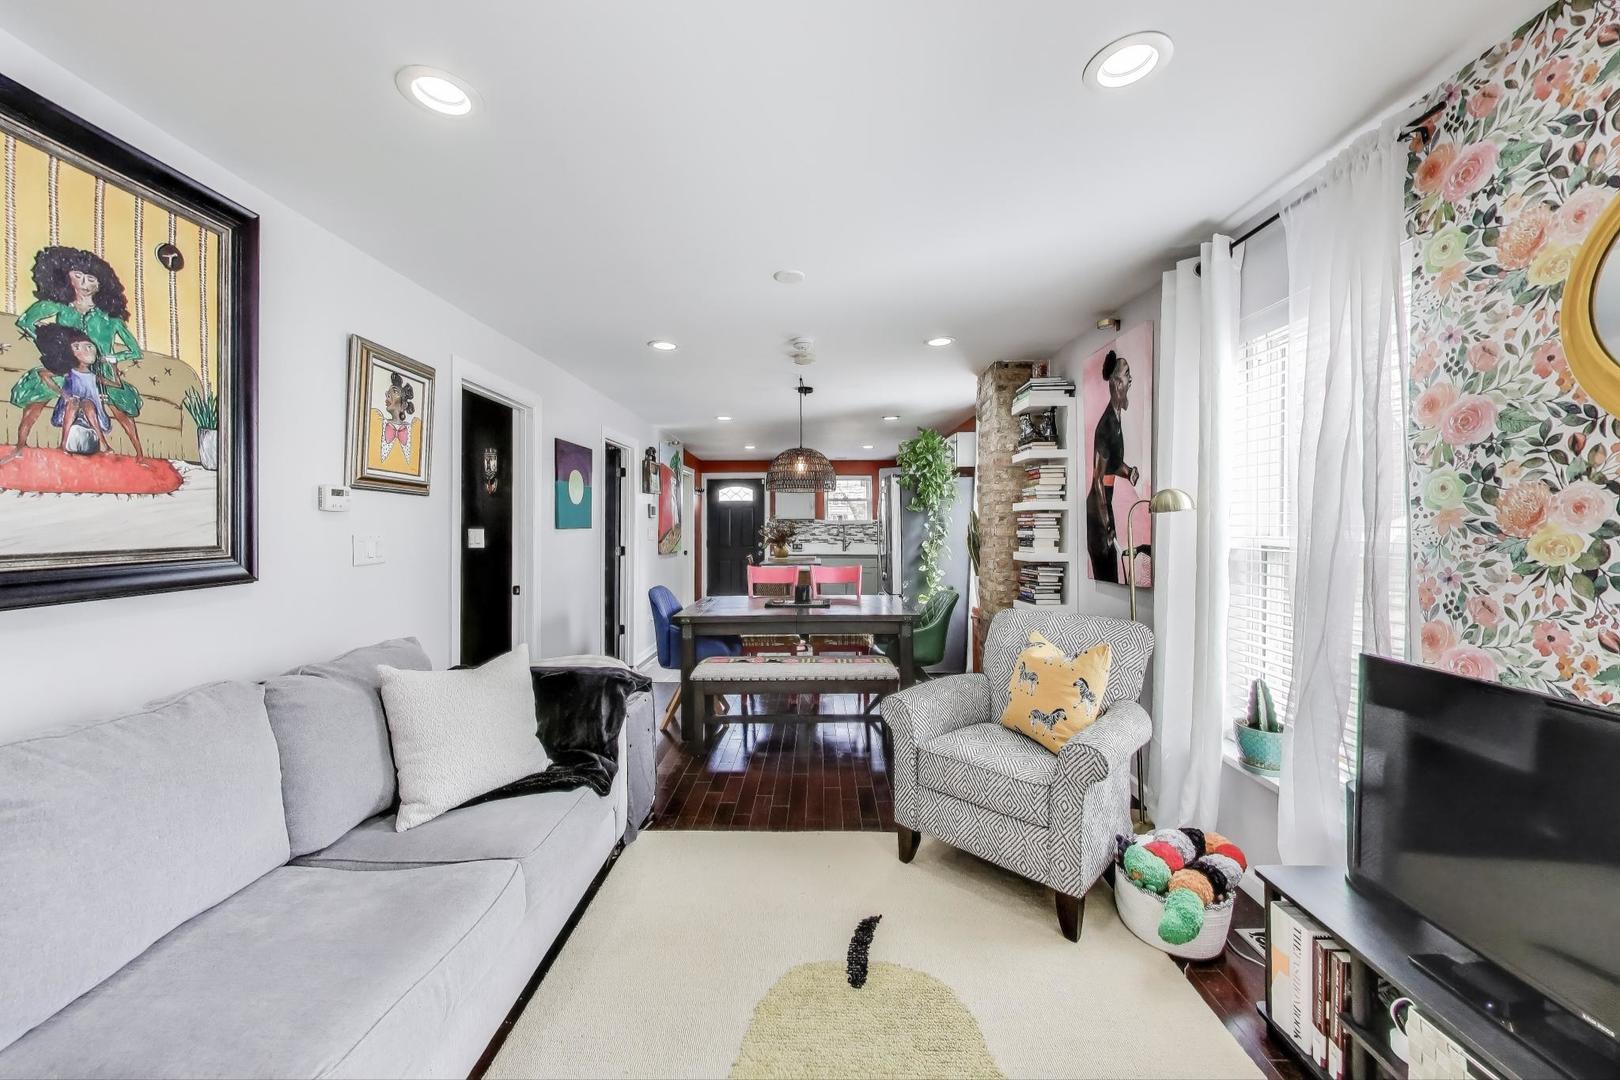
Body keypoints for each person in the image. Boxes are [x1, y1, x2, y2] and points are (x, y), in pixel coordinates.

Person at [6, 246, 144, 461]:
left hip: (101, 371)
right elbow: (25, 321)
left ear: (101, 284)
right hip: (67, 367)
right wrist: (50, 345)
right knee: (36, 394)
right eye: (78, 276)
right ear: (66, 276)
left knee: (122, 407)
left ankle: (140, 455)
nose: (84, 284)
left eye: (91, 279)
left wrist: (113, 358)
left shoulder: (110, 318)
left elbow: (135, 351)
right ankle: (20, 447)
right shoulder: (60, 306)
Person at [1087, 349, 1140, 584]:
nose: (1131, 379)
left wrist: (1128, 473)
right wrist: (1107, 523)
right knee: (1107, 575)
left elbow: (1112, 465)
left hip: (1104, 507)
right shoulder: (1107, 425)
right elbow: (1098, 479)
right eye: (1127, 374)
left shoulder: (1116, 419)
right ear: (1118, 382)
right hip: (1097, 514)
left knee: (1114, 574)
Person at [36, 323, 112, 453]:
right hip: (70, 408)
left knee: (87, 403)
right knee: (74, 402)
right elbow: (43, 374)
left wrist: (112, 366)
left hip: (92, 411)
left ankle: (104, 444)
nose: (87, 350)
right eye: (77, 347)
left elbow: (116, 384)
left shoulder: (94, 376)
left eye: (89, 346)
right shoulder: (70, 371)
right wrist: (63, 394)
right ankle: (63, 444)